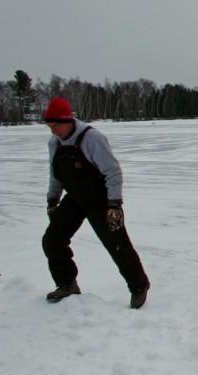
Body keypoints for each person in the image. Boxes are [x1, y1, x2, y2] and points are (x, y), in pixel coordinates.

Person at [41, 96, 150, 308]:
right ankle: (67, 284)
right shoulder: (54, 143)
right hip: (74, 197)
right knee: (52, 240)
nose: (53, 130)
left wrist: (115, 204)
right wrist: (52, 200)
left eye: (56, 125)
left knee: (116, 243)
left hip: (101, 198)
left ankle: (139, 286)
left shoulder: (92, 138)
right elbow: (55, 175)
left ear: (68, 120)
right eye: (49, 126)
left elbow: (113, 172)